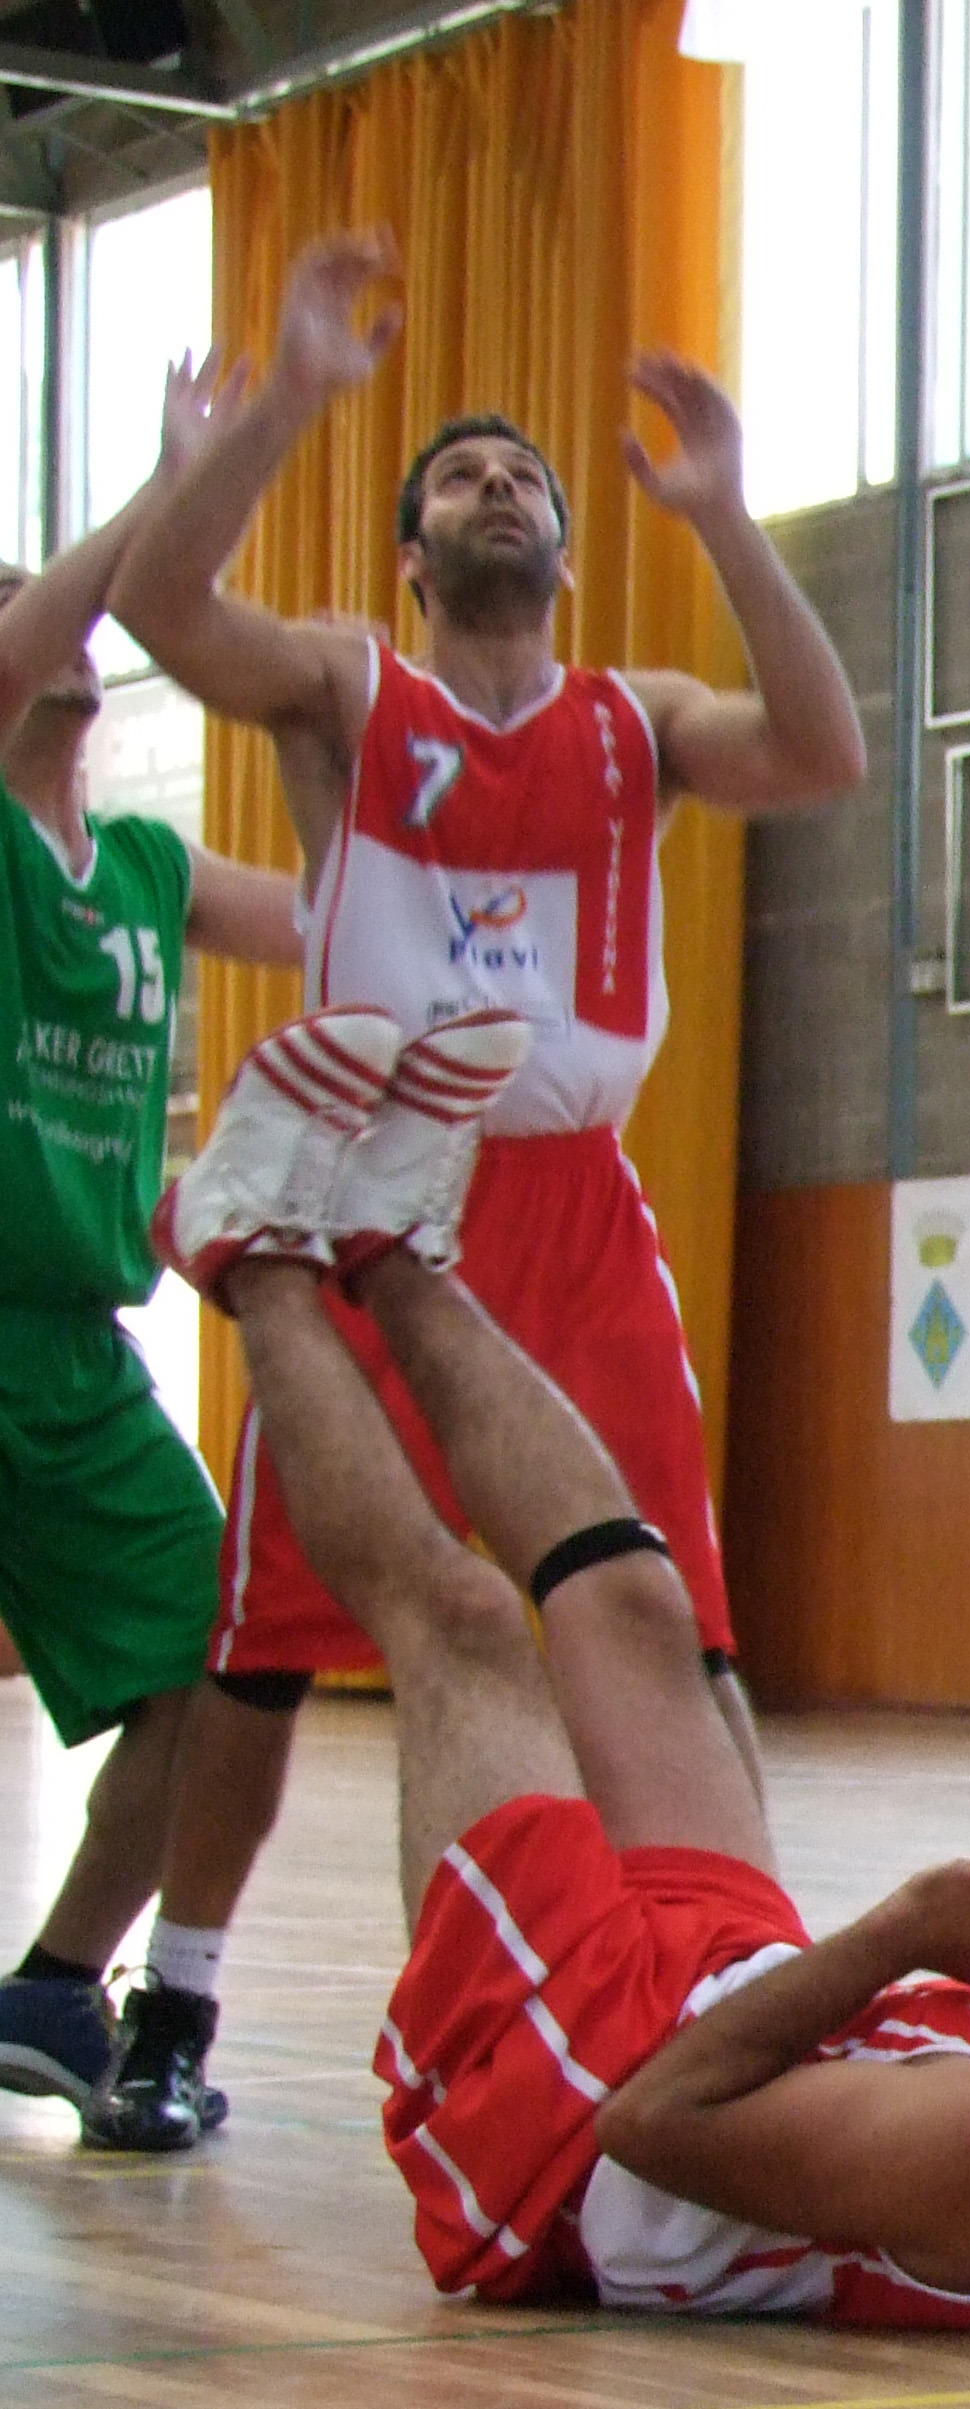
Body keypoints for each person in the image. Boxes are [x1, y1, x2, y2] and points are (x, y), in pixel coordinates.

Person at [154, 1004, 970, 2316]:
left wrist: (901, 1932)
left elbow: (651, 2125)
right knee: (633, 1596)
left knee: (466, 1626)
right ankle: (387, 1244)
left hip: (563, 2118)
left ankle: (250, 1251)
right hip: (723, 2007)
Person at [100, 227, 867, 2147]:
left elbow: (823, 751)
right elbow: (166, 607)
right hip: (381, 1187)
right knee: (269, 1639)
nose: (498, 485)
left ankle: (745, 1981)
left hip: (574, 1205)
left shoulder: (638, 718)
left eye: (522, 474)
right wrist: (286, 397)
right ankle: (174, 2000)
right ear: (412, 560)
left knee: (673, 1613)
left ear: (567, 554)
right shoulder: (346, 691)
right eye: (458, 476)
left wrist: (728, 514)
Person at [0, 369, 305, 2145]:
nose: (54, 633)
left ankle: (57, 1983)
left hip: (69, 1350)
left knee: (221, 1646)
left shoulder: (139, 860)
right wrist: (172, 480)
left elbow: (331, 918)